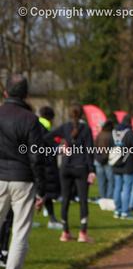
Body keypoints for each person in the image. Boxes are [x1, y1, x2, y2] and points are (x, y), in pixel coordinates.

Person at [0, 75, 46, 269]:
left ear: (5, 93)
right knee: (20, 232)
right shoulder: (30, 119)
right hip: (23, 180)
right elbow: (37, 157)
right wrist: (41, 191)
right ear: (26, 95)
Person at [45, 102, 96, 242]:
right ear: (82, 114)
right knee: (83, 200)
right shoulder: (86, 129)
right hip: (81, 167)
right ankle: (83, 233)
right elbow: (89, 151)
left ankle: (65, 232)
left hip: (66, 166)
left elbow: (46, 137)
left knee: (66, 199)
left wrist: (58, 148)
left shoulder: (65, 127)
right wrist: (92, 170)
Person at [111, 115, 133, 219]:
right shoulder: (129, 133)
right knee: (126, 189)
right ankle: (125, 212)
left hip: (116, 163)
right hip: (128, 164)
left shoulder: (114, 132)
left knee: (117, 188)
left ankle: (117, 210)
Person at [38, 106, 63, 229]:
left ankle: (49, 218)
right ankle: (52, 219)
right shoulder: (43, 129)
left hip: (40, 164)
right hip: (45, 165)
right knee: (46, 193)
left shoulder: (37, 126)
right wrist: (57, 149)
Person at [94, 120, 115, 199]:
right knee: (110, 180)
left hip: (99, 159)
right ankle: (109, 196)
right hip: (108, 159)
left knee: (101, 180)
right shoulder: (111, 135)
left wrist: (97, 156)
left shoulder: (99, 135)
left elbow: (95, 147)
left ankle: (102, 195)